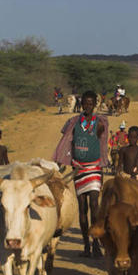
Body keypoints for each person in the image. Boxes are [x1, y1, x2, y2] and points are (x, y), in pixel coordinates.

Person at [52, 90, 109, 258]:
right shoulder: (74, 122)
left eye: (91, 103)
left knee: (94, 205)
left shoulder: (100, 122)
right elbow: (66, 141)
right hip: (78, 169)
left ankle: (96, 243)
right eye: (85, 103)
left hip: (94, 168)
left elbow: (102, 142)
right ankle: (86, 244)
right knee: (82, 208)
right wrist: (61, 161)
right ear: (81, 104)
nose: (88, 106)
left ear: (95, 104)